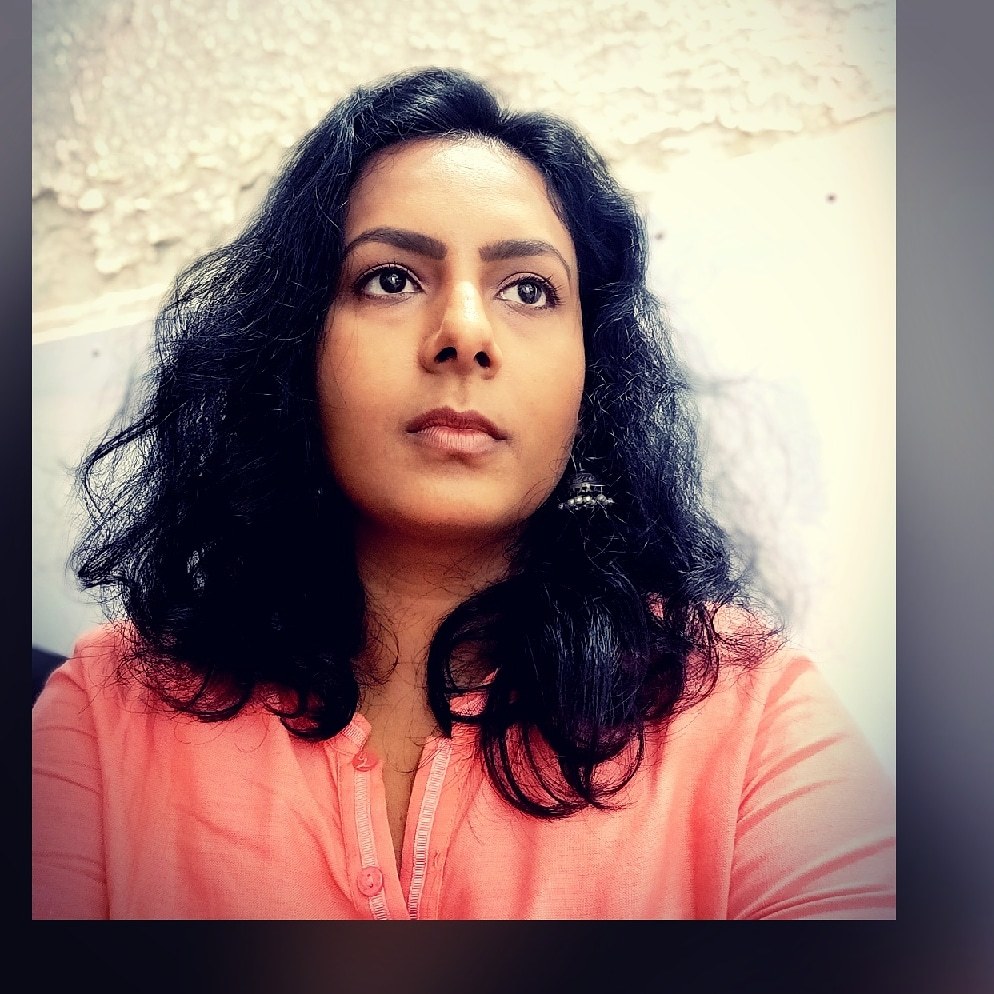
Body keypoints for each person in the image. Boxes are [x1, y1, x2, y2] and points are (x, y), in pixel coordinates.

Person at [32, 66, 895, 920]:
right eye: (391, 279)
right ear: (294, 349)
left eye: (529, 289)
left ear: (591, 382)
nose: (466, 333)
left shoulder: (746, 709)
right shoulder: (108, 712)